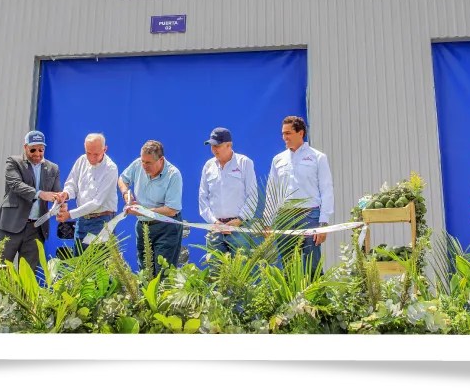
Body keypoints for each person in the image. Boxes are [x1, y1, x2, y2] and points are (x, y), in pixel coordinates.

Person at [265, 116, 333, 273]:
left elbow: (327, 189)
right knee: (288, 267)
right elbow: (271, 191)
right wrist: (268, 220)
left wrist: (323, 223)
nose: (284, 137)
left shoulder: (318, 157)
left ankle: (317, 298)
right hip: (284, 218)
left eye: (288, 133)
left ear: (300, 133)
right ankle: (290, 298)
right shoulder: (278, 160)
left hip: (309, 216)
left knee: (312, 266)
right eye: (283, 133)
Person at [0, 130, 62, 273]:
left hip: (36, 228)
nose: (37, 154)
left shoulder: (53, 168)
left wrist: (60, 204)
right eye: (33, 150)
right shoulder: (13, 162)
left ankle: (25, 297)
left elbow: (56, 195)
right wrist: (41, 194)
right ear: (25, 147)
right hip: (11, 225)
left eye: (41, 150)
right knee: (0, 270)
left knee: (28, 274)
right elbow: (16, 185)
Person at [118, 140, 184, 277]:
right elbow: (122, 179)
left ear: (161, 160)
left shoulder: (174, 175)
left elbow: (172, 210)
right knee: (145, 272)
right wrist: (125, 193)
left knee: (163, 274)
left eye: (148, 163)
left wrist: (143, 211)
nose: (144, 166)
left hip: (166, 226)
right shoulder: (138, 164)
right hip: (143, 226)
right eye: (143, 161)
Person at [198, 127, 258, 262]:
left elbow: (252, 195)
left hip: (239, 229)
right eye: (212, 146)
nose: (214, 149)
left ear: (229, 145)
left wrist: (240, 220)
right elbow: (203, 197)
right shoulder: (208, 166)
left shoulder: (244, 163)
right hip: (216, 229)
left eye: (217, 145)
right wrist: (214, 221)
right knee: (216, 275)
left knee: (241, 274)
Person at [56, 133, 119, 254]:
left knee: (97, 267)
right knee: (79, 264)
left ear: (104, 149)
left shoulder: (111, 168)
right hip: (82, 221)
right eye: (88, 153)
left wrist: (69, 214)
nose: (91, 158)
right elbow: (71, 184)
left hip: (101, 221)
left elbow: (97, 202)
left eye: (96, 154)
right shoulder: (81, 161)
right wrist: (66, 194)